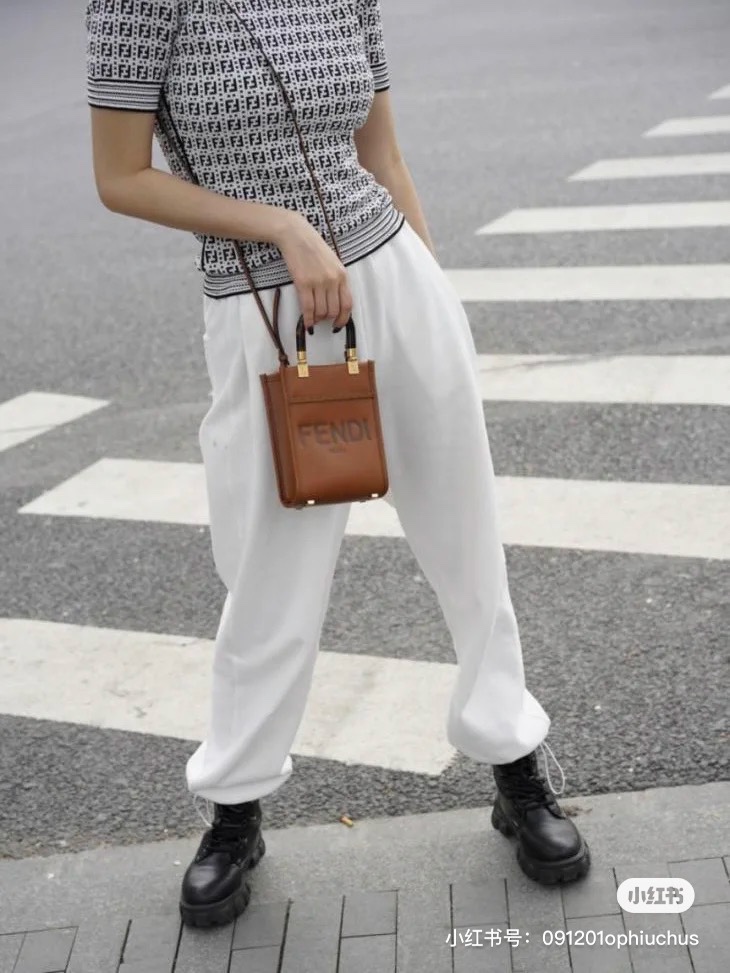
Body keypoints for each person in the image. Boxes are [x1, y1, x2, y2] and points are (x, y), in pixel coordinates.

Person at [85, 0, 590, 930]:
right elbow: (120, 178)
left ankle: (516, 765)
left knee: (466, 542)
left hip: (397, 280)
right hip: (266, 309)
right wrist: (280, 224)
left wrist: (439, 305)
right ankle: (235, 810)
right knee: (266, 575)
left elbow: (382, 155)